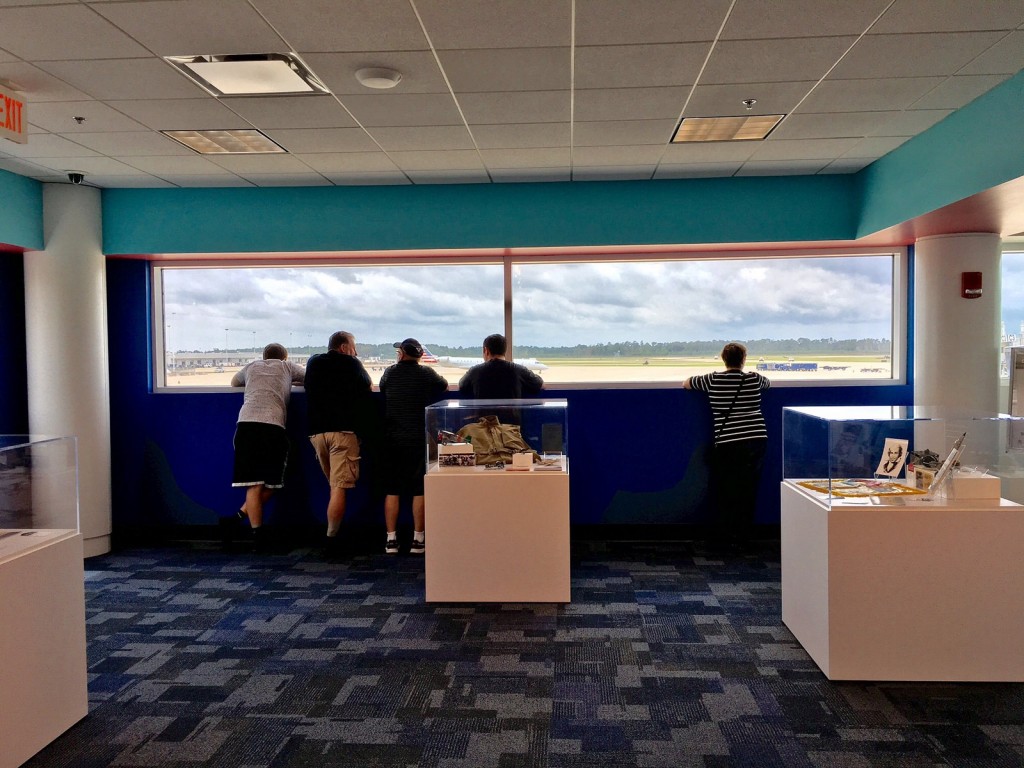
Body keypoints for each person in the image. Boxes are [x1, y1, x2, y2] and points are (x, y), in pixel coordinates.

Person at [684, 342, 770, 551]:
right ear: (743, 360)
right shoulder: (754, 379)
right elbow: (768, 383)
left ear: (723, 359)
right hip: (756, 439)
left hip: (729, 441)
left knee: (725, 488)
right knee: (748, 489)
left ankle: (724, 535)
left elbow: (686, 383)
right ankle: (743, 536)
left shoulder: (712, 379)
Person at [229, 342, 305, 550]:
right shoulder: (287, 367)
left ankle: (245, 525)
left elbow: (234, 382)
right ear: (284, 357)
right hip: (273, 426)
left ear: (263, 357)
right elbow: (309, 378)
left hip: (246, 425)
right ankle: (256, 533)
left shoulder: (252, 366)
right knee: (273, 483)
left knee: (256, 484)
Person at [378, 338, 449, 555]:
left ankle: (391, 540)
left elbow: (382, 389)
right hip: (419, 438)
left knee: (392, 489)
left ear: (401, 354)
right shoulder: (426, 374)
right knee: (419, 488)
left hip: (393, 439)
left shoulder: (390, 373)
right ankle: (418, 539)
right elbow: (443, 385)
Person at [304, 331, 372, 554]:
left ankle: (331, 535)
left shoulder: (314, 362)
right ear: (343, 348)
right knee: (338, 489)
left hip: (317, 434)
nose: (356, 351)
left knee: (333, 486)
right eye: (353, 347)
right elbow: (367, 386)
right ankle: (332, 539)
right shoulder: (352, 364)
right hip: (342, 433)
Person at [458, 333, 544, 399]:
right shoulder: (518, 370)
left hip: (485, 422)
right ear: (504, 351)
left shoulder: (475, 371)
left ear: (486, 351)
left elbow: (462, 387)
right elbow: (538, 383)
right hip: (511, 422)